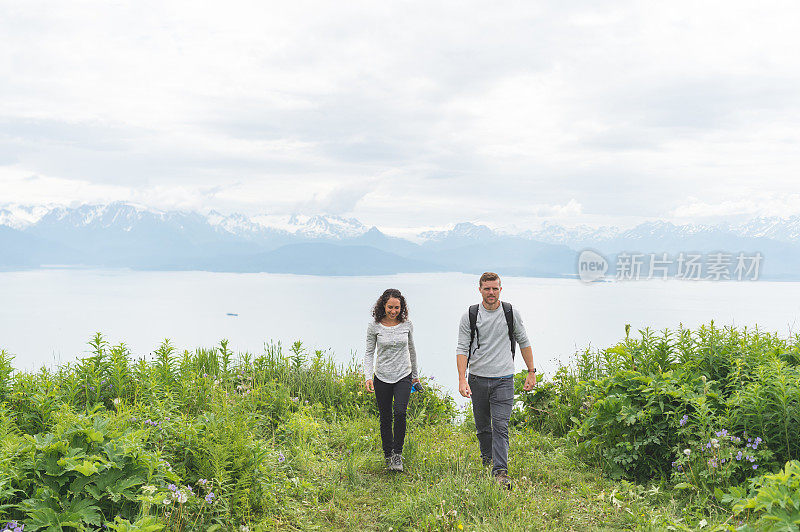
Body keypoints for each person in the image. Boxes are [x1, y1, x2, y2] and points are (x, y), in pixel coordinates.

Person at [456, 272, 537, 489]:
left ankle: (500, 471)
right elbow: (462, 348)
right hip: (477, 379)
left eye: (495, 288)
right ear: (480, 289)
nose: (491, 292)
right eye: (487, 288)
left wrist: (531, 371)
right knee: (483, 427)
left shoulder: (510, 313)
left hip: (504, 379)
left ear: (501, 289)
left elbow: (523, 341)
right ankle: (487, 459)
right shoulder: (470, 315)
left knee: (500, 426)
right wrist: (462, 380)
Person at [364, 288, 420, 472]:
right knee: (385, 417)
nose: (393, 311)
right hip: (381, 377)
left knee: (400, 412)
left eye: (397, 307)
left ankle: (398, 454)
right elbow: (369, 352)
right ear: (383, 305)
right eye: (390, 307)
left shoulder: (407, 325)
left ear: (402, 307)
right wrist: (367, 376)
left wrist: (415, 376)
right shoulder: (374, 326)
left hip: (403, 374)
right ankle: (388, 454)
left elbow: (412, 350)